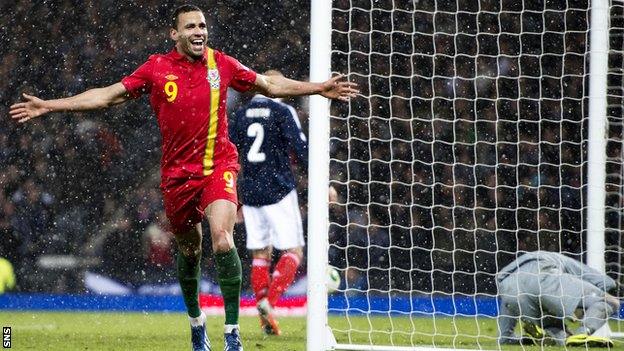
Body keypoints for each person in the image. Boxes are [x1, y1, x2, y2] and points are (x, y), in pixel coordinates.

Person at [9, 4, 358, 351]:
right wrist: (50, 105)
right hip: (177, 177)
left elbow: (269, 84)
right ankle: (197, 323)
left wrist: (318, 87)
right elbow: (107, 96)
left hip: (218, 168)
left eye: (202, 26)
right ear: (174, 34)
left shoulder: (222, 64)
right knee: (190, 252)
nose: (199, 32)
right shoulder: (156, 69)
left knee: (223, 238)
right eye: (190, 26)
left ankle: (232, 332)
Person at [230, 71, 338, 336]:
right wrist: (323, 183)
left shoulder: (239, 115)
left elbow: (229, 154)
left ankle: (262, 309)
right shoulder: (282, 111)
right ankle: (270, 302)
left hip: (250, 191)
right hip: (277, 188)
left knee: (260, 254)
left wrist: (233, 194)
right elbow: (302, 150)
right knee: (294, 251)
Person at [497, 251, 620, 347]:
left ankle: (552, 337)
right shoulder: (566, 262)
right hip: (543, 275)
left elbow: (506, 300)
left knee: (556, 328)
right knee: (610, 301)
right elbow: (608, 283)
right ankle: (582, 333)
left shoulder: (524, 262)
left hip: (508, 287)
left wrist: (506, 335)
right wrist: (583, 306)